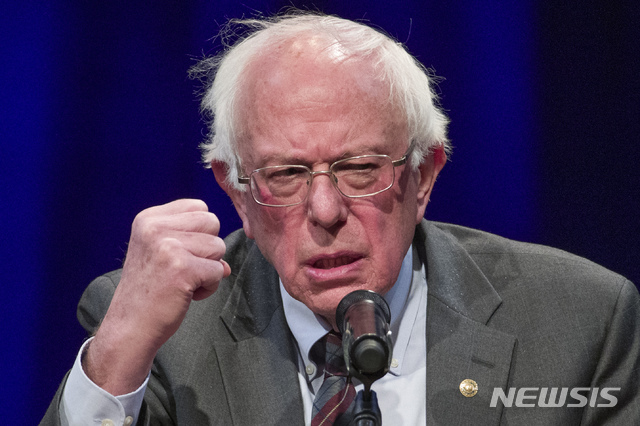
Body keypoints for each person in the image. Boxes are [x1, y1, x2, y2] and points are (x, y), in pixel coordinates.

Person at [42, 12, 639, 426]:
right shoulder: (164, 338)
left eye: (358, 169)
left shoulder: (580, 321)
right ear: (238, 193)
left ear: (424, 176)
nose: (325, 212)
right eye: (285, 176)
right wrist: (118, 352)